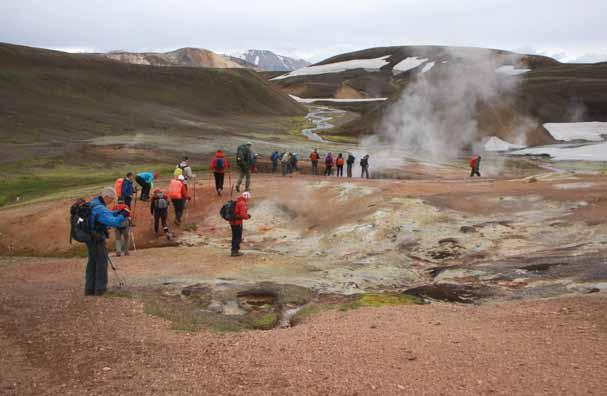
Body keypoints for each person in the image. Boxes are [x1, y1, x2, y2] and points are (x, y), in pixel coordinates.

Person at [85, 187, 128, 296]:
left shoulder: (93, 203)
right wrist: (123, 215)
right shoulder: (100, 208)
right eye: (112, 199)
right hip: (97, 239)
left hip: (90, 238)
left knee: (92, 263)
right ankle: (100, 289)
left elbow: (108, 214)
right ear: (106, 197)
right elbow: (114, 223)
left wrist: (118, 212)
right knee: (101, 263)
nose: (112, 202)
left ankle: (89, 289)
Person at [230, 191, 251, 257]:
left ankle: (233, 250)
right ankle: (235, 251)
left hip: (232, 221)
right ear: (246, 197)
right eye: (248, 198)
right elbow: (243, 215)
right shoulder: (242, 203)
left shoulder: (238, 201)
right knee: (237, 237)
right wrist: (248, 216)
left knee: (234, 236)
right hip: (237, 222)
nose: (248, 199)